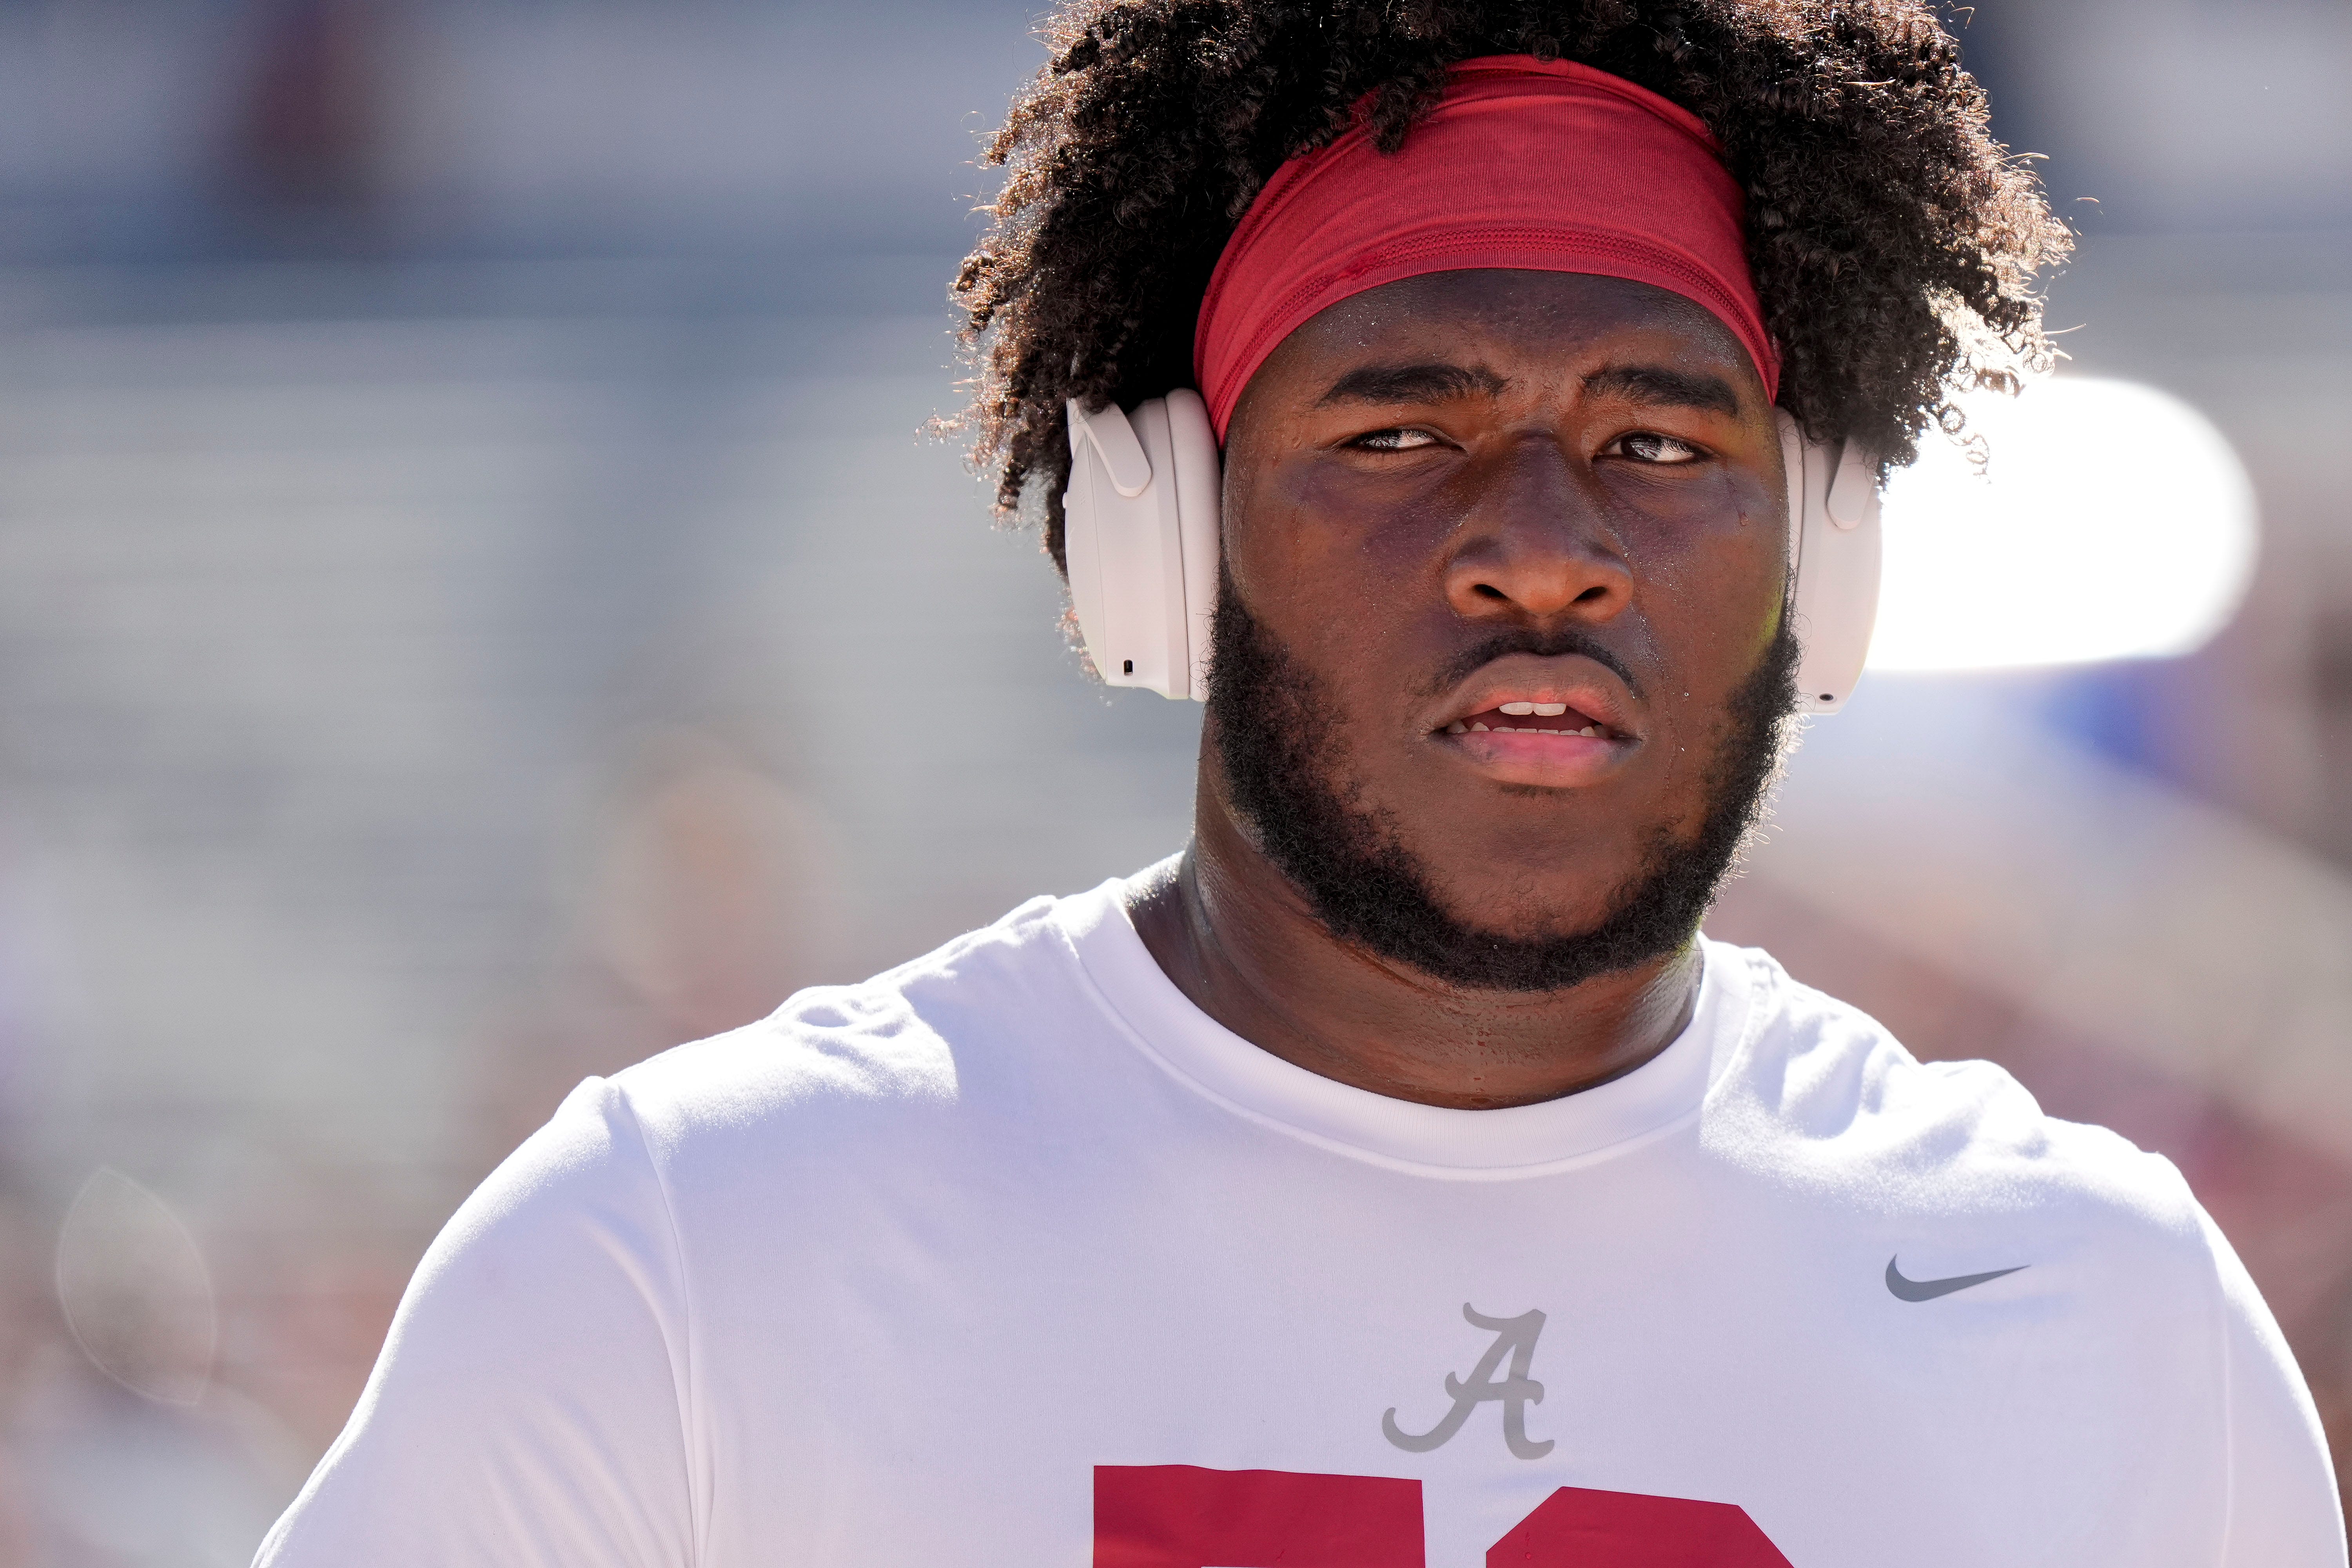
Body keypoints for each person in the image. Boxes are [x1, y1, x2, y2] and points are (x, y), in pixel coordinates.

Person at [255, 2, 2346, 1564]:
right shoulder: (689, 1257)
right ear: (1164, 544)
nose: (1546, 548)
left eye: (1658, 441)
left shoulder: (2112, 1315)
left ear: (1823, 550)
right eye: (1399, 433)